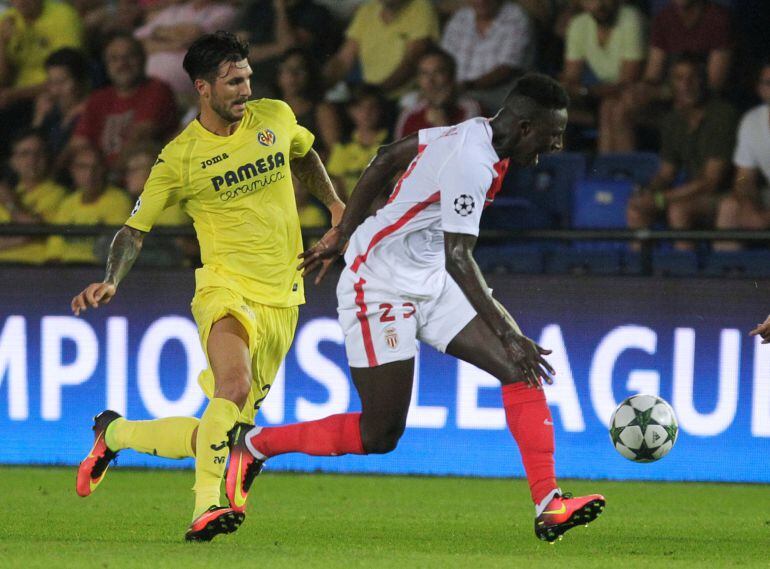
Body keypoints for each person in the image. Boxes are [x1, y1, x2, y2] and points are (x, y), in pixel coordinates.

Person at [226, 73, 605, 543]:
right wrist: (510, 331)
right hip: (379, 283)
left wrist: (342, 229)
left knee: (519, 369)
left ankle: (550, 503)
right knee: (380, 433)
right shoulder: (472, 158)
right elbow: (459, 255)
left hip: (429, 279)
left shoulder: (475, 132)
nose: (558, 146)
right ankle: (253, 446)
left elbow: (389, 157)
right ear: (525, 128)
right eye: (553, 135)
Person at [70, 31, 345, 542]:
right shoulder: (180, 157)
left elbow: (302, 153)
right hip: (224, 287)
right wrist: (111, 280)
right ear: (202, 87)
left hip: (283, 294)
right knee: (233, 387)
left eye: (247, 77)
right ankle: (205, 507)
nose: (245, 88)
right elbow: (134, 230)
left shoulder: (275, 117)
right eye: (232, 80)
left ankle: (113, 434)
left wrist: (335, 206)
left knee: (217, 433)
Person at [626, 54, 737, 250]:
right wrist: (649, 193)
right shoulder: (672, 120)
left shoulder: (722, 115)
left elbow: (711, 182)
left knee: (678, 210)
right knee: (636, 208)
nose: (687, 84)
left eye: (693, 77)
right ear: (671, 84)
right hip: (691, 194)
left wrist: (661, 199)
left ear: (704, 80)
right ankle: (643, 272)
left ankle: (685, 272)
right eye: (679, 78)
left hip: (724, 197)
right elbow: (667, 172)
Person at [607, 0, 733, 152]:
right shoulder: (664, 18)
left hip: (705, 102)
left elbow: (713, 85)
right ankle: (620, 172)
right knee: (615, 106)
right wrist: (641, 90)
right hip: (671, 98)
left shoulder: (718, 19)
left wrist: (662, 93)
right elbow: (652, 74)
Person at [69, 33, 179, 170]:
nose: (122, 64)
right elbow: (78, 144)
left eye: (129, 56)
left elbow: (141, 136)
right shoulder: (98, 98)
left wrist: (113, 174)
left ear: (143, 59)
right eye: (114, 59)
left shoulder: (156, 89)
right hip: (100, 178)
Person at [0, 0, 82, 158]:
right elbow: (2, 79)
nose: (20, 2)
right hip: (16, 97)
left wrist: (13, 95)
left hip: (52, 92)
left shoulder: (63, 16)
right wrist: (1, 42)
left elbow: (71, 70)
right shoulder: (7, 20)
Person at [560, 0, 645, 152]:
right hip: (599, 94)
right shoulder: (579, 24)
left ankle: (619, 171)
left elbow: (628, 81)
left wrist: (586, 91)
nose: (600, 4)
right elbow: (571, 78)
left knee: (611, 108)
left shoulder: (630, 18)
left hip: (635, 93)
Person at [324, 0, 440, 100]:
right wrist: (320, 86)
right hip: (373, 98)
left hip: (405, 97)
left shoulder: (421, 8)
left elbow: (413, 60)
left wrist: (377, 92)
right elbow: (343, 60)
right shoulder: (367, 11)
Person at [134, 0, 237, 105]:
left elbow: (194, 34)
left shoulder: (224, 12)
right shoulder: (174, 11)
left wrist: (158, 33)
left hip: (182, 92)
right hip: (143, 86)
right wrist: (171, 44)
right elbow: (137, 41)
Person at [714, 61, 770, 250]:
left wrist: (765, 217)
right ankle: (730, 274)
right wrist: (746, 203)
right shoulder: (751, 121)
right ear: (760, 88)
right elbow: (744, 176)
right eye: (768, 83)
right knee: (729, 207)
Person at [441, 0, 535, 111]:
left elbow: (507, 68)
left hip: (495, 94)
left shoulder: (516, 18)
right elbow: (443, 59)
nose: (481, 1)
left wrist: (467, 86)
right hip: (454, 92)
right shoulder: (460, 18)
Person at [46, 146, 132, 264]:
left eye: (96, 167)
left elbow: (115, 253)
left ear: (104, 170)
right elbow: (54, 251)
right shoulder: (67, 203)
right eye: (83, 167)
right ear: (73, 170)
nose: (90, 173)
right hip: (66, 271)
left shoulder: (119, 200)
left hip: (98, 271)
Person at [0, 128, 67, 264]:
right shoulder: (5, 193)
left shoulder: (58, 195)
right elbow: (34, 233)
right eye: (25, 154)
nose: (32, 160)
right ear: (13, 161)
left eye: (38, 153)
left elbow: (38, 231)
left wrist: (10, 204)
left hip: (34, 271)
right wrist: (25, 237)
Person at [394, 47, 482, 139]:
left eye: (437, 72)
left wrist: (443, 125)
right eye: (424, 74)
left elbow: (469, 151)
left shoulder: (470, 109)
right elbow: (398, 152)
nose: (430, 81)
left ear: (451, 77)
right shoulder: (409, 115)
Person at [32, 48, 91, 172]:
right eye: (52, 83)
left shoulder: (91, 112)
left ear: (80, 81)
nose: (56, 90)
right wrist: (39, 119)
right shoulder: (52, 114)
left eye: (62, 82)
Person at [326, 84, 389, 200]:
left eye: (372, 107)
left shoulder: (391, 143)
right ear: (351, 111)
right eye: (360, 107)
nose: (366, 113)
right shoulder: (343, 145)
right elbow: (336, 182)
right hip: (350, 209)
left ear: (381, 109)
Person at [275, 48, 341, 159]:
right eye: (288, 69)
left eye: (299, 70)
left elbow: (335, 153)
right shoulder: (269, 111)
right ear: (279, 75)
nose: (293, 76)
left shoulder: (322, 111)